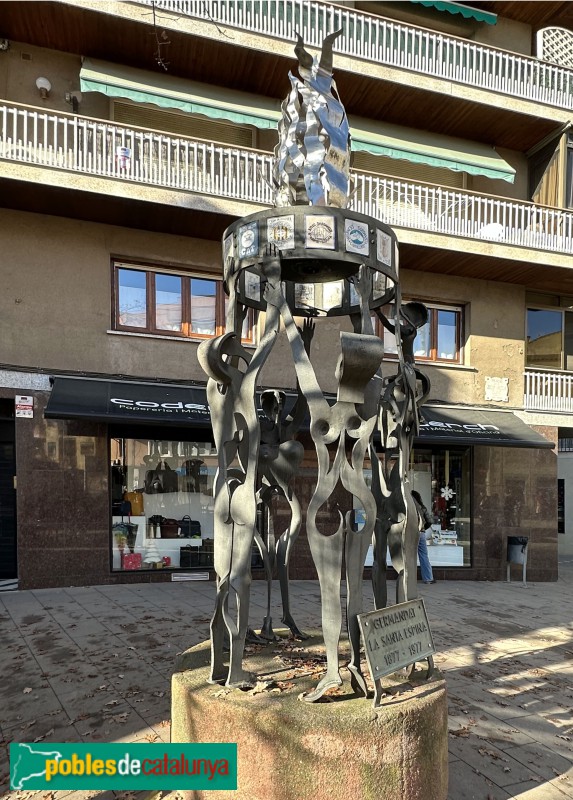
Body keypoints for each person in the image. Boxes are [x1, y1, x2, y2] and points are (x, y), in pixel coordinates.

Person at [411, 490, 436, 584]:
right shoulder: (422, 506)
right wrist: (423, 528)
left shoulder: (408, 506)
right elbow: (429, 521)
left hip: (410, 534)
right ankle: (428, 578)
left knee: (409, 556)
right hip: (421, 533)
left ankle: (409, 579)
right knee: (423, 555)